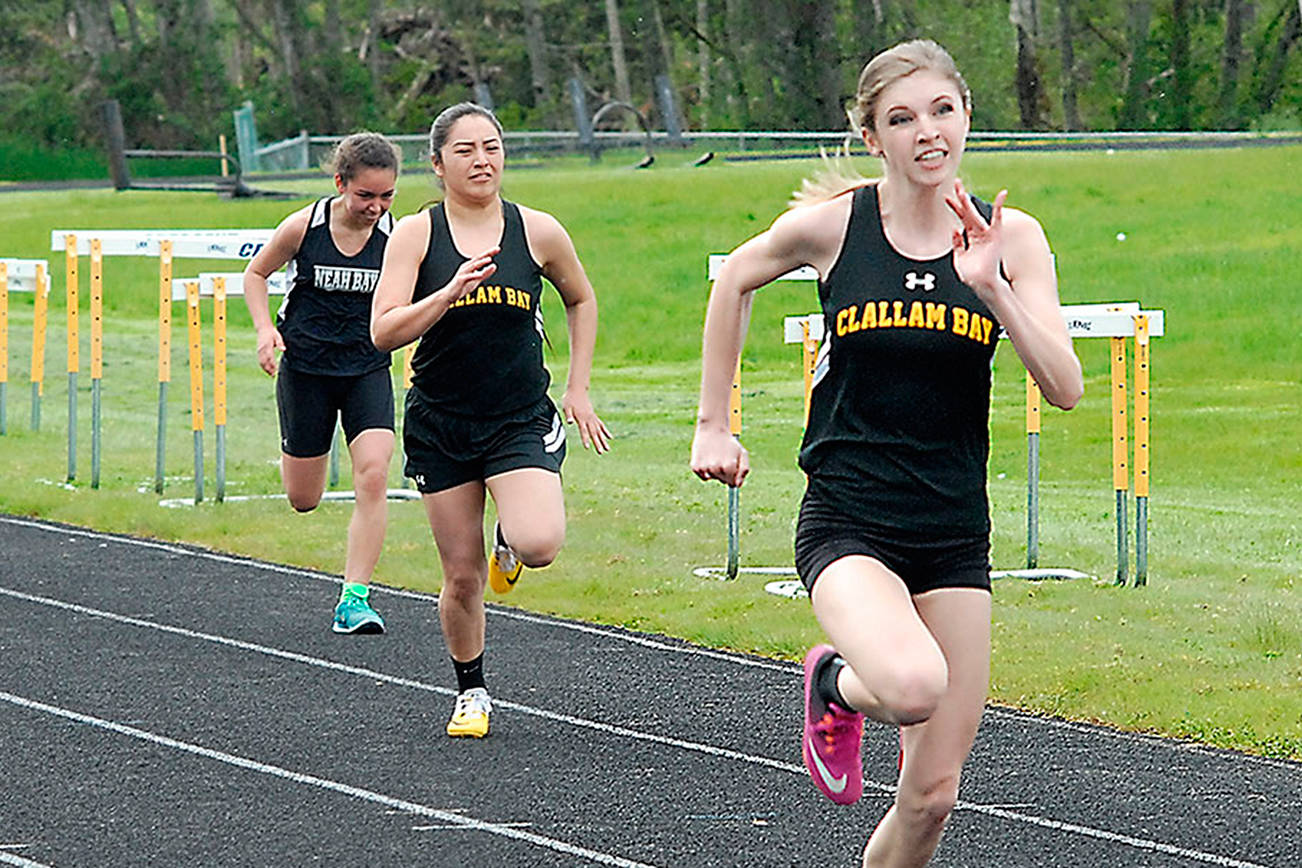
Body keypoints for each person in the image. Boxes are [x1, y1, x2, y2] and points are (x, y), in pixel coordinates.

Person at [691, 40, 1083, 867]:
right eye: (902, 119)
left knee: (932, 797)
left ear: (967, 116)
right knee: (911, 687)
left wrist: (992, 287)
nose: (927, 133)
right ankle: (834, 680)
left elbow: (1065, 386)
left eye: (942, 111)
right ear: (873, 138)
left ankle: (847, 694)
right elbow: (734, 280)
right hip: (849, 522)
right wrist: (712, 423)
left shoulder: (1014, 241)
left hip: (952, 531)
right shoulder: (837, 225)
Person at [371, 103, 611, 739]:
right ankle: (471, 690)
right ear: (438, 163)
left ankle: (510, 536)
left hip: (517, 418)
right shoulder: (416, 236)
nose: (482, 161)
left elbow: (581, 299)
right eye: (467, 150)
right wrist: (447, 291)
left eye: (492, 147)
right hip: (442, 422)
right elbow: (383, 331)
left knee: (539, 544)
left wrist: (579, 390)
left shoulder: (537, 231)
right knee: (461, 574)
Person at [243, 132, 402, 635]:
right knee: (303, 498)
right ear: (340, 184)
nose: (375, 207)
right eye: (365, 196)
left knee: (374, 474)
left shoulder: (399, 237)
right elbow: (256, 274)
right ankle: (301, 456)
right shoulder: (303, 226)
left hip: (367, 367)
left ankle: (354, 598)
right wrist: (266, 330)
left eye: (386, 196)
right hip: (307, 370)